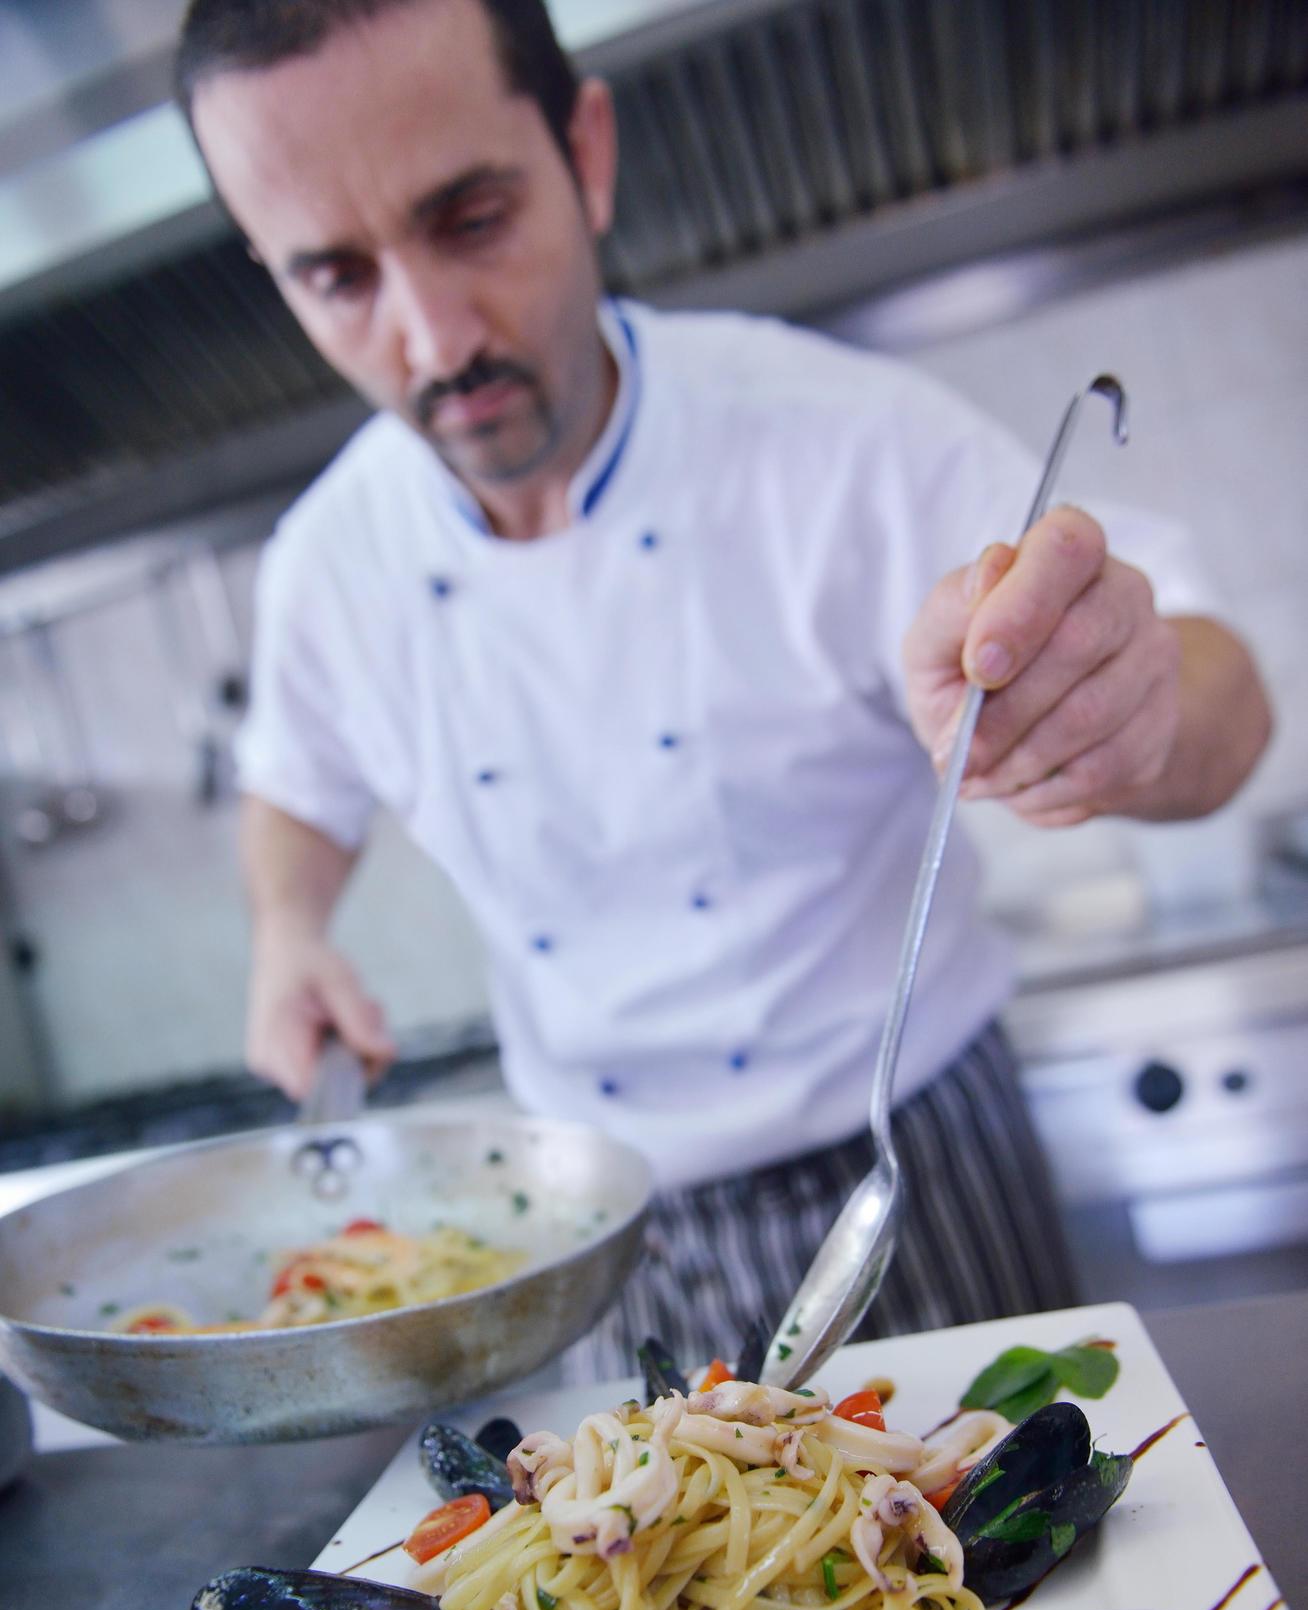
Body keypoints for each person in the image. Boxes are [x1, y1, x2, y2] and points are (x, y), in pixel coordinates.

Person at [176, 0, 1270, 1379]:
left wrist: (1137, 705)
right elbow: (297, 781)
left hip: (914, 1169)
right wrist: (288, 930)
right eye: (336, 276)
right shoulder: (326, 562)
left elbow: (1222, 687)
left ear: (587, 152)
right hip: (594, 1226)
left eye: (472, 220)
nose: (436, 338)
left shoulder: (836, 442)